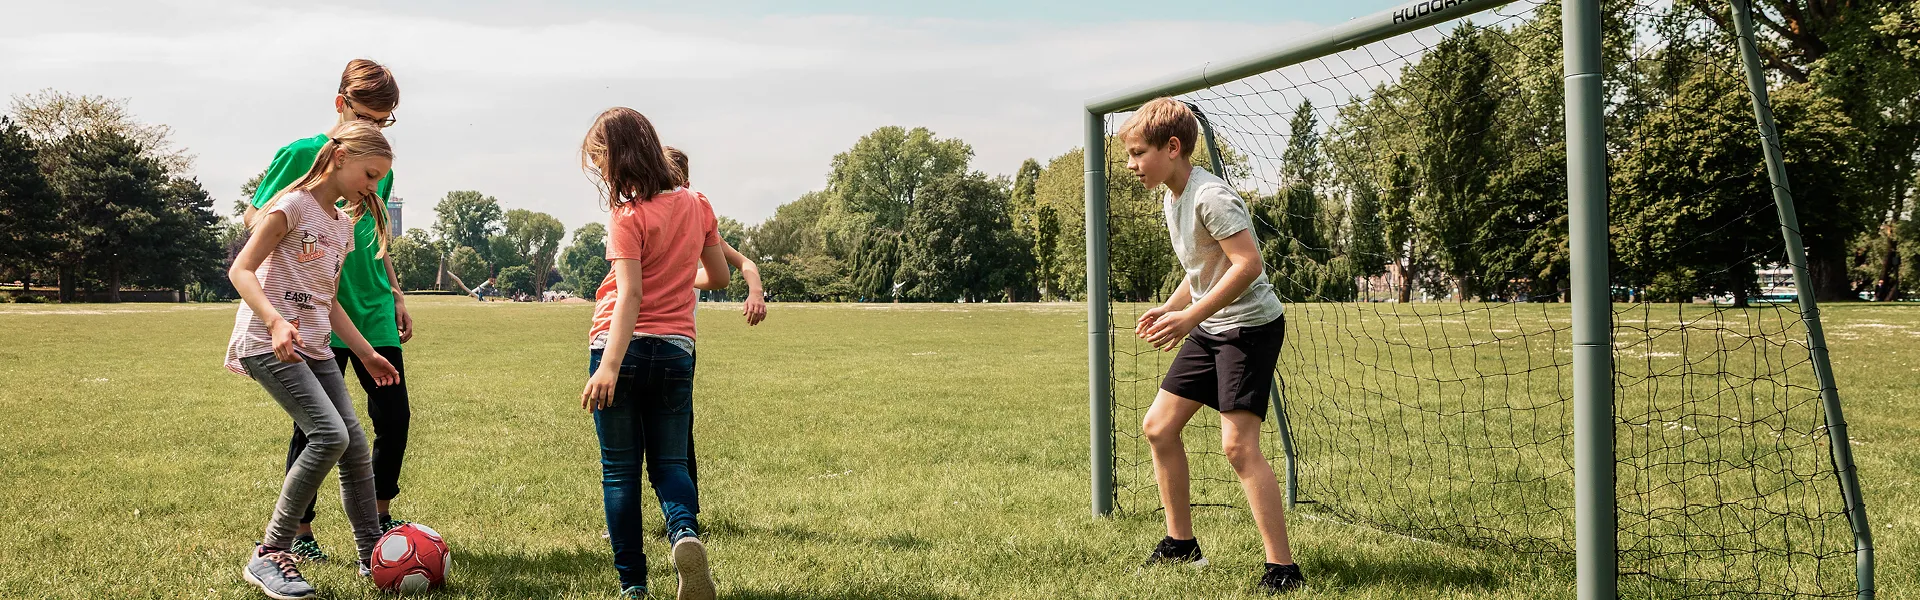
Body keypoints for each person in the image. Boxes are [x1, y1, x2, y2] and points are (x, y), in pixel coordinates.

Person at [1125, 98, 1303, 593]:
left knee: (1238, 447)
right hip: (1209, 324)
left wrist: (1188, 318)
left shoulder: (1211, 197)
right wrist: (1171, 306)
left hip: (1248, 328)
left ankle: (1282, 570)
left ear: (1172, 147)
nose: (1131, 165)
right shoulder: (1171, 196)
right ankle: (1182, 546)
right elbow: (1203, 270)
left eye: (1139, 153)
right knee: (1159, 427)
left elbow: (1248, 265)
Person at [242, 58, 415, 564]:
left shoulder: (373, 166)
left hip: (361, 304)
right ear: (341, 106)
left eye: (384, 123)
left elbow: (371, 234)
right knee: (320, 431)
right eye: (366, 117)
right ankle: (293, 535)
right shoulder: (302, 158)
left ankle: (377, 534)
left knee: (389, 418)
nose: (374, 129)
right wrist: (293, 243)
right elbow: (259, 218)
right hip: (306, 311)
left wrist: (396, 292)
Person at [227, 120, 399, 599]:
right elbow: (241, 270)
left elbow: (329, 301)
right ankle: (271, 553)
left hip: (316, 346)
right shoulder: (291, 206)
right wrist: (276, 321)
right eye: (370, 175)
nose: (373, 187)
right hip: (269, 342)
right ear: (341, 159)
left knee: (355, 444)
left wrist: (366, 354)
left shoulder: (342, 225)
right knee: (328, 436)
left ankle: (372, 557)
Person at [579, 107, 731, 600]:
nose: (602, 171)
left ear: (618, 159)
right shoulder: (697, 203)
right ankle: (685, 533)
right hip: (675, 351)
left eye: (600, 160)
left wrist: (608, 365)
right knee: (671, 463)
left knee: (619, 471)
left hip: (618, 348)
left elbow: (630, 295)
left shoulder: (628, 216)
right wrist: (675, 276)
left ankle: (634, 587)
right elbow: (719, 277)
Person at [664, 146, 765, 326]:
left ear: (686, 187)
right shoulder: (643, 220)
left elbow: (745, 263)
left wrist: (756, 292)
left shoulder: (697, 225)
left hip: (680, 332)